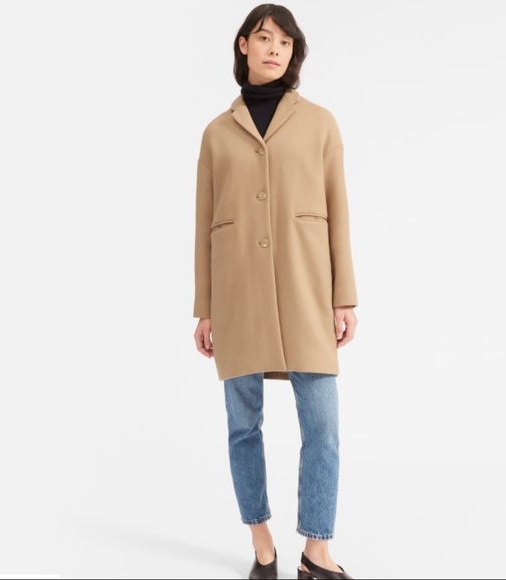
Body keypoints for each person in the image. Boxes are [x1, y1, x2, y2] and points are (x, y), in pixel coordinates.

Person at [193, 4, 358, 579]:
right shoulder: (217, 133)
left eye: (285, 43)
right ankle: (263, 547)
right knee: (243, 426)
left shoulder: (320, 124)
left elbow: (338, 211)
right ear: (244, 45)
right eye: (265, 38)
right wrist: (204, 309)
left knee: (323, 429)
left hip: (308, 289)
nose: (274, 50)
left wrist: (344, 296)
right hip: (236, 296)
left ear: (294, 54)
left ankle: (316, 550)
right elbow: (204, 225)